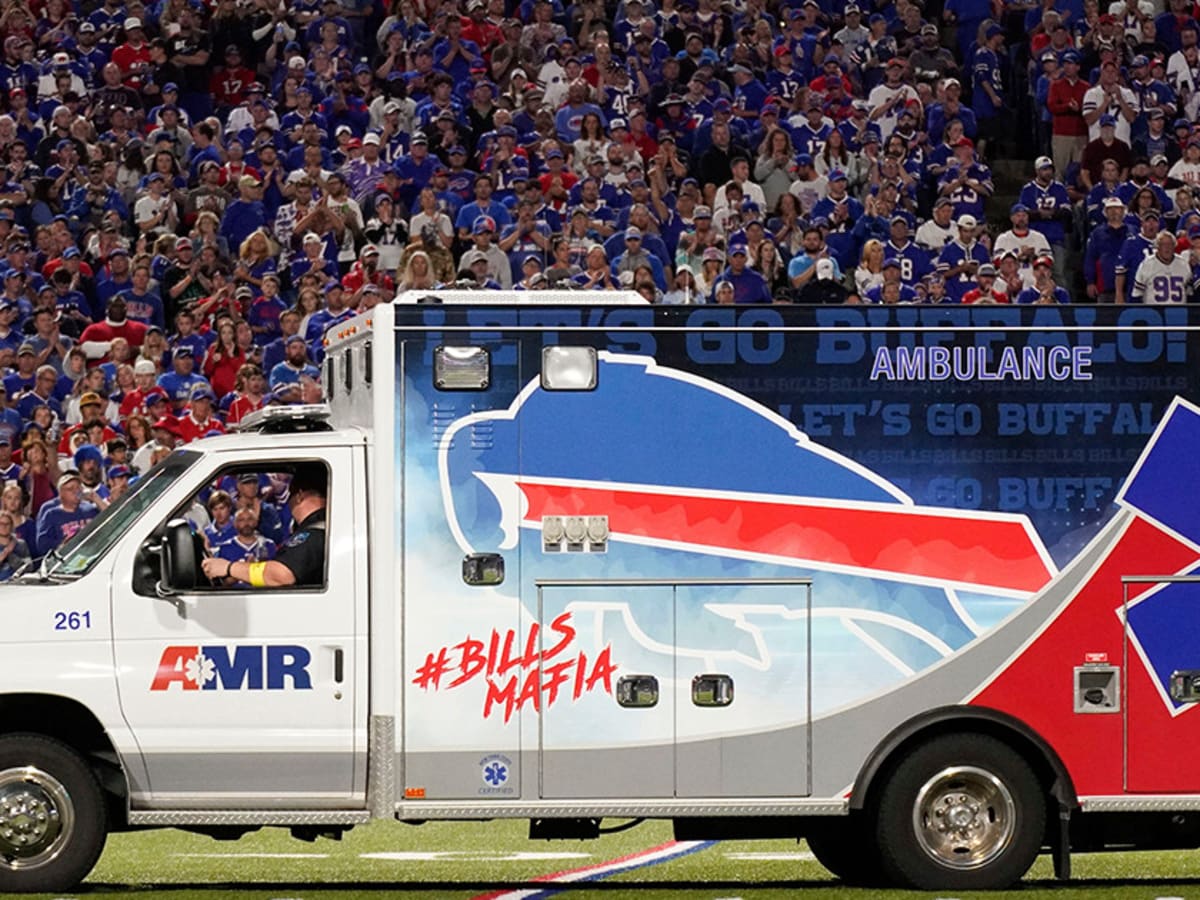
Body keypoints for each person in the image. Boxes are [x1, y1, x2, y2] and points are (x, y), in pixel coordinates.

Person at [201, 463, 326, 588]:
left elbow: (280, 575)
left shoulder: (314, 533)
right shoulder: (324, 526)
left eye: (290, 496)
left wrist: (229, 568)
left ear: (299, 496)